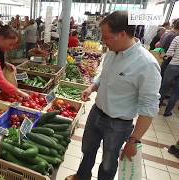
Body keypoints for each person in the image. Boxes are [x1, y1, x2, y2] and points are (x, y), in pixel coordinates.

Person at [65, 11, 161, 180]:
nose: (104, 41)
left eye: (107, 37)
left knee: (109, 162)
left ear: (122, 34)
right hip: (97, 112)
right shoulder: (112, 51)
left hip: (118, 124)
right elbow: (104, 76)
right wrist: (92, 87)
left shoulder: (146, 64)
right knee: (87, 150)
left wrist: (134, 140)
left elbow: (149, 107)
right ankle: (82, 176)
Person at [159, 36, 179, 116]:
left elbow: (169, 53)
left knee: (164, 87)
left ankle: (157, 106)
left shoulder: (177, 38)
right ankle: (167, 112)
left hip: (173, 65)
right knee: (176, 92)